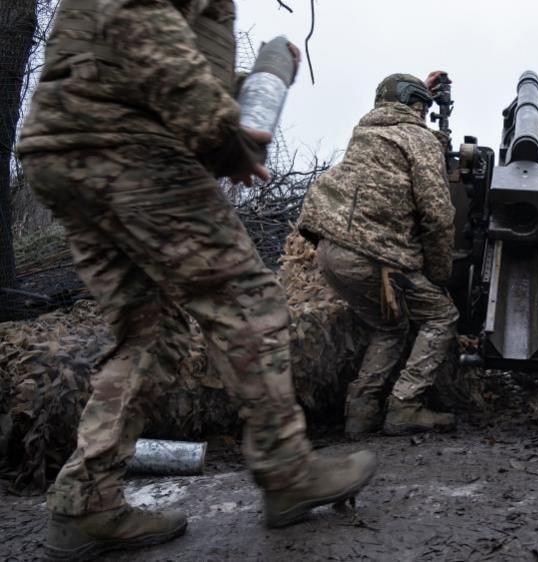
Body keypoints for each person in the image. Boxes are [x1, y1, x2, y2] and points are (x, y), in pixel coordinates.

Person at [16, 0, 377, 558]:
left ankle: (85, 502)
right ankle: (286, 470)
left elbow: (152, 50)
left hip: (68, 145)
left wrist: (245, 88)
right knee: (246, 298)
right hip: (126, 145)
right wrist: (219, 133)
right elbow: (140, 17)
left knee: (149, 333)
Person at [297, 72, 459, 438]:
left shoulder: (366, 134)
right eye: (422, 107)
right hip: (373, 256)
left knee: (390, 327)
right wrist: (438, 272)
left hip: (331, 253)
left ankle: (360, 412)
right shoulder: (418, 138)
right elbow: (436, 214)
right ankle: (405, 405)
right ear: (416, 106)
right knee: (440, 316)